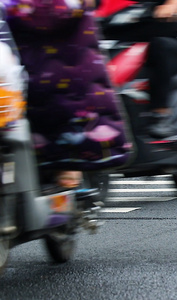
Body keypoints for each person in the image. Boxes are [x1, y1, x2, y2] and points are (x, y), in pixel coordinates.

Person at [4, 0, 131, 188]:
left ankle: (69, 176)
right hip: (28, 69)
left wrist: (12, 7)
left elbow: (55, 13)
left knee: (63, 120)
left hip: (60, 76)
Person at [96, 0, 177, 138]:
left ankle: (160, 113)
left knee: (162, 45)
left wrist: (172, 6)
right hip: (112, 30)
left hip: (156, 27)